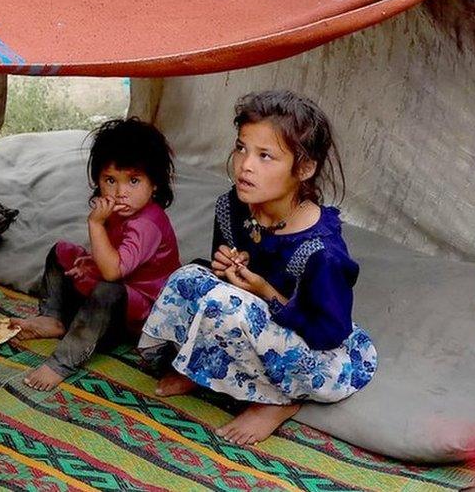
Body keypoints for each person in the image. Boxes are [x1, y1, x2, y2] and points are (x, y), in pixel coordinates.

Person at [140, 90, 376, 445]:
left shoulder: (321, 251)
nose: (245, 165)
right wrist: (226, 268)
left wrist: (263, 291)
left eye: (265, 156)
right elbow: (221, 282)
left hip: (318, 355)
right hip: (260, 322)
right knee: (190, 279)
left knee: (227, 305)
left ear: (304, 168)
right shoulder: (234, 206)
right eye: (241, 148)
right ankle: (202, 367)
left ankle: (278, 402)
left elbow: (328, 334)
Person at [12, 118, 180, 391]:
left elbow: (114, 271)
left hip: (143, 310)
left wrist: (95, 224)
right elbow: (110, 255)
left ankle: (62, 362)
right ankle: (51, 317)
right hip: (118, 279)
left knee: (107, 291)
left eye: (134, 181)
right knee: (61, 251)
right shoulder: (118, 209)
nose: (120, 192)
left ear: (155, 184)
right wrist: (89, 263)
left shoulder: (147, 223)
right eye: (110, 180)